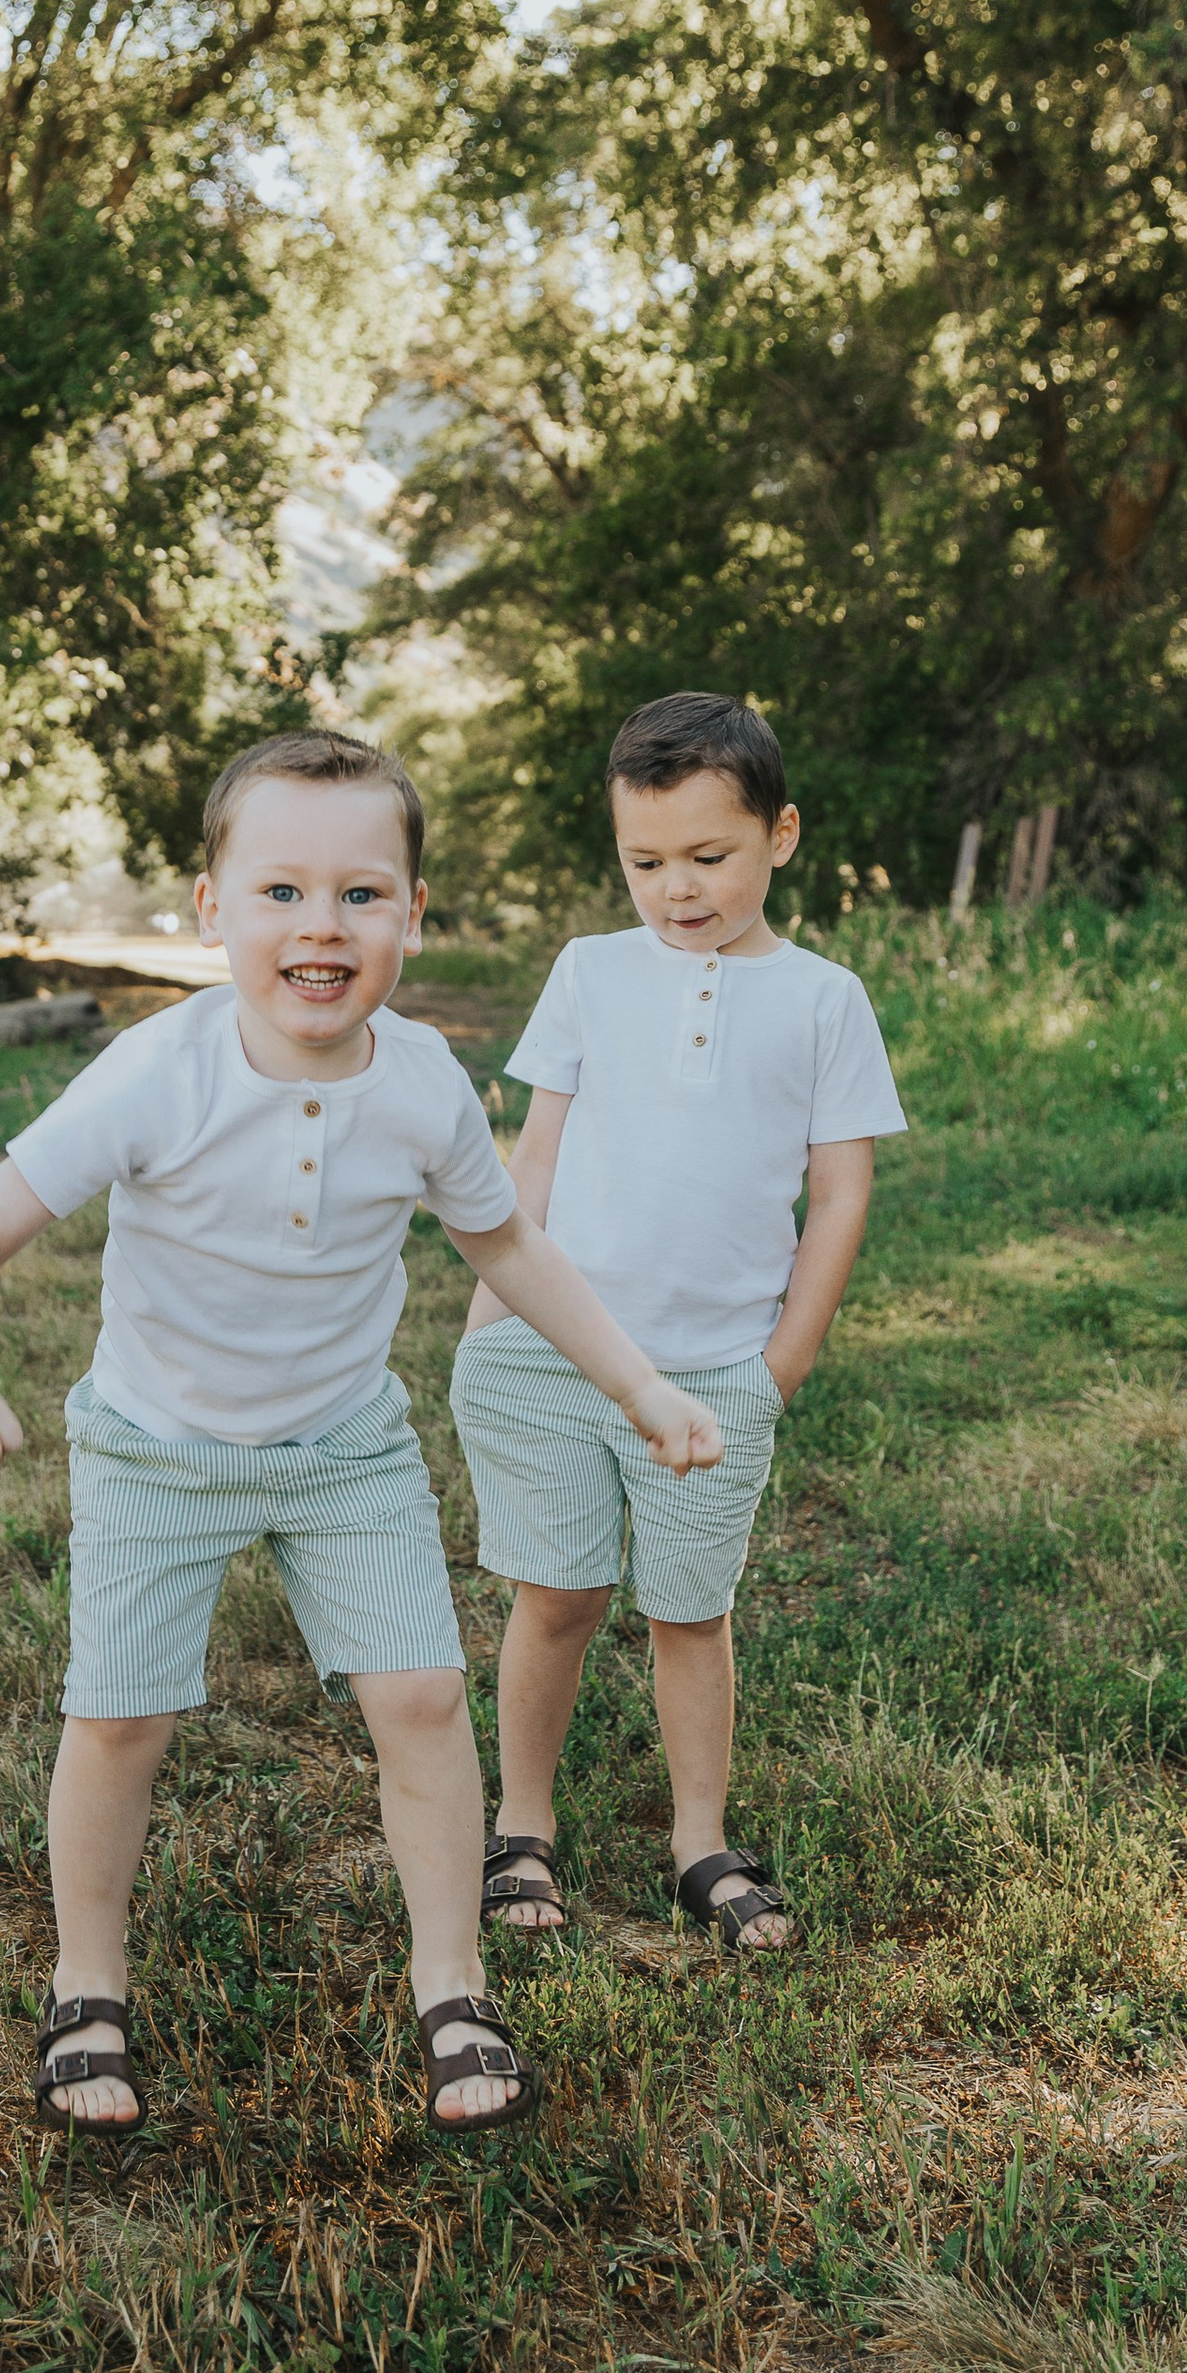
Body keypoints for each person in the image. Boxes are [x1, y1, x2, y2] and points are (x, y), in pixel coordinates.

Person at [0, 730, 724, 2142]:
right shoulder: (155, 1072)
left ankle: (452, 1985)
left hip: (345, 1449)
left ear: (412, 914)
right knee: (119, 1718)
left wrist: (637, 1386)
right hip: (156, 1446)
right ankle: (85, 1983)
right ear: (214, 908)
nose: (321, 928)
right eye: (281, 892)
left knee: (420, 1701)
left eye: (361, 894)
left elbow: (514, 1251)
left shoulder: (421, 1086)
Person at [450, 691, 906, 1954]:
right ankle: (522, 1828)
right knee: (554, 1597)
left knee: (687, 1612)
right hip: (546, 1353)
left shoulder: (824, 998)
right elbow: (527, 1162)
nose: (678, 888)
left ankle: (699, 1840)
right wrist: (487, 1321)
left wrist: (782, 1362)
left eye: (709, 857)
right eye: (646, 862)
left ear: (781, 836)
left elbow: (840, 1187)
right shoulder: (590, 972)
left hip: (714, 1371)